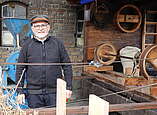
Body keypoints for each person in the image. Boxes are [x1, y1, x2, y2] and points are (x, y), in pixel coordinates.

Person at [16, 15, 73, 108]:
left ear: (48, 27)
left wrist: (69, 87)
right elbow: (20, 69)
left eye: (43, 25)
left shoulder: (57, 43)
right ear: (32, 28)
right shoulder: (27, 45)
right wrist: (20, 91)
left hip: (55, 92)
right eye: (37, 26)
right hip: (34, 93)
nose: (40, 29)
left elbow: (67, 66)